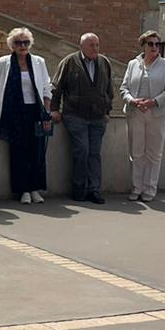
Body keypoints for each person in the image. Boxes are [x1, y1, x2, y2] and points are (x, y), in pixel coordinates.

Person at [0, 28, 54, 204]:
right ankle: (23, 190)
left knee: (37, 151)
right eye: (18, 43)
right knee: (18, 152)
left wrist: (46, 112)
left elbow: (46, 87)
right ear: (12, 45)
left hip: (35, 112)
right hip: (14, 112)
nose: (22, 46)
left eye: (26, 42)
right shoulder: (4, 62)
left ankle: (35, 189)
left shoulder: (39, 62)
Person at [51, 34, 113, 205]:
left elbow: (109, 89)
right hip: (75, 116)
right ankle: (79, 189)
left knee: (94, 153)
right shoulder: (70, 62)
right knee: (82, 150)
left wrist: (107, 110)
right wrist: (54, 109)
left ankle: (94, 190)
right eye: (91, 45)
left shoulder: (104, 63)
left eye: (97, 45)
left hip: (98, 117)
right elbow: (56, 87)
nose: (95, 48)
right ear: (82, 46)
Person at [120, 31, 165, 203]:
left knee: (154, 153)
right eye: (150, 44)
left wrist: (153, 102)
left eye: (157, 44)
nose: (154, 47)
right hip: (136, 112)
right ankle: (136, 188)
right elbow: (124, 88)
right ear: (143, 45)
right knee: (136, 152)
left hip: (157, 113)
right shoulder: (133, 64)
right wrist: (132, 101)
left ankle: (149, 189)